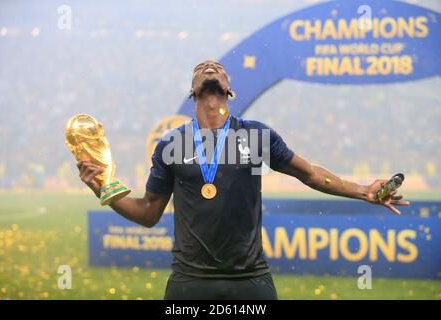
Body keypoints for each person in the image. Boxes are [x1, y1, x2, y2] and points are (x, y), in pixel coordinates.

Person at [76, 60, 410, 300]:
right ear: (191, 91)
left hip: (250, 281)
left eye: (217, 68)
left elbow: (310, 175)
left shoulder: (256, 135)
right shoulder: (171, 144)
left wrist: (363, 190)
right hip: (190, 282)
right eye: (201, 68)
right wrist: (102, 187)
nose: (210, 67)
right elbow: (148, 212)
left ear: (229, 89)